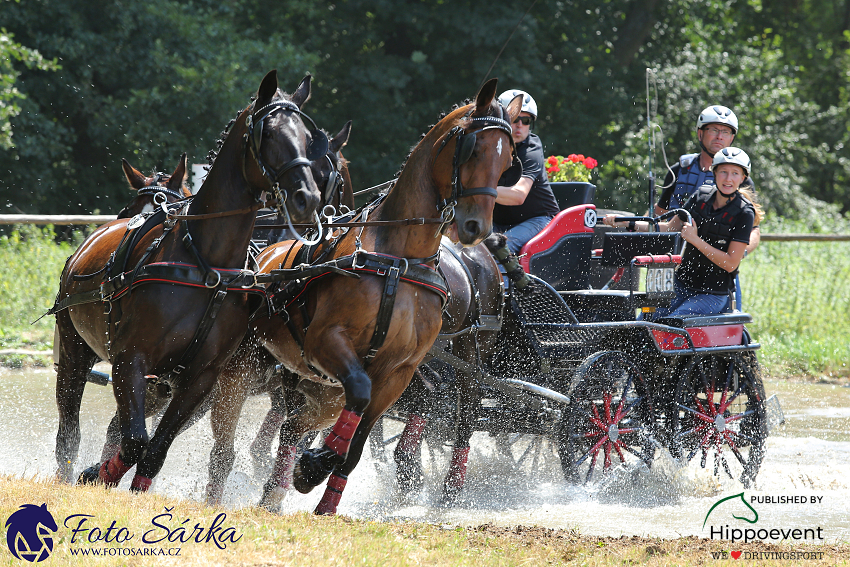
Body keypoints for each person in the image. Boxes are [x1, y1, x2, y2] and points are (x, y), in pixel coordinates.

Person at [604, 147, 763, 318]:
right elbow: (668, 228)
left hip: (712, 295)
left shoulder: (745, 212)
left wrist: (694, 239)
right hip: (680, 285)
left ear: (743, 178)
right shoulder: (701, 196)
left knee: (672, 324)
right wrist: (627, 222)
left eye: (735, 173)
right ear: (714, 172)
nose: (728, 179)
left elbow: (731, 263)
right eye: (723, 172)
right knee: (646, 320)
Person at [655, 105, 760, 310]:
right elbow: (661, 219)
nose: (719, 137)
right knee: (649, 319)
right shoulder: (679, 171)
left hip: (717, 277)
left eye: (726, 132)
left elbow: (753, 230)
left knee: (719, 320)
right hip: (674, 265)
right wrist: (629, 224)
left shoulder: (743, 188)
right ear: (700, 133)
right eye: (714, 130)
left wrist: (736, 252)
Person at [492, 89, 560, 255]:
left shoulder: (531, 150)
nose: (520, 125)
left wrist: (478, 188)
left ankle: (502, 282)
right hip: (499, 222)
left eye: (526, 120)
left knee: (498, 248)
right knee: (465, 246)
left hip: (540, 219)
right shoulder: (490, 146)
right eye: (515, 118)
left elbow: (518, 195)